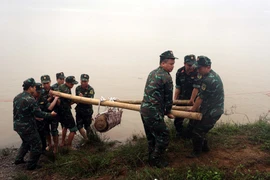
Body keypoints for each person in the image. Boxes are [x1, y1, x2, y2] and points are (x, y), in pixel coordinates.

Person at [140, 50, 177, 168]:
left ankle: (151, 156)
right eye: (170, 64)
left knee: (151, 136)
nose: (172, 66)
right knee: (164, 135)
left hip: (144, 109)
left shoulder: (152, 73)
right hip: (153, 112)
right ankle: (155, 160)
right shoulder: (166, 77)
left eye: (173, 64)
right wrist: (168, 112)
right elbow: (168, 99)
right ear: (163, 63)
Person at [13, 78, 56, 170]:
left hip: (17, 125)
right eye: (34, 87)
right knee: (37, 145)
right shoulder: (30, 99)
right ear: (31, 87)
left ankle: (18, 159)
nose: (35, 89)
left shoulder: (17, 97)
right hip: (28, 127)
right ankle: (31, 165)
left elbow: (19, 112)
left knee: (26, 142)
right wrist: (51, 115)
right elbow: (39, 113)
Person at [187, 56, 224, 158]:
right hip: (209, 109)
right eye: (197, 68)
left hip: (213, 112)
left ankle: (196, 153)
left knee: (197, 131)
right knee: (198, 127)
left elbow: (200, 98)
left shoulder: (209, 80)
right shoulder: (211, 75)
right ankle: (205, 148)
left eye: (200, 68)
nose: (198, 70)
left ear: (208, 67)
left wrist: (193, 109)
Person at [174, 55, 201, 138]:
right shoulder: (179, 72)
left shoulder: (198, 72)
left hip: (194, 100)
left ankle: (190, 136)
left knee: (193, 121)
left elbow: (196, 88)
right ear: (184, 64)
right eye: (189, 65)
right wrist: (175, 100)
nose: (191, 67)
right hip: (182, 99)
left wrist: (192, 100)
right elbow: (178, 87)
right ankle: (180, 134)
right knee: (177, 121)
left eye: (193, 65)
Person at [40, 75, 60, 153]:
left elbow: (59, 103)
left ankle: (55, 146)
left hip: (54, 113)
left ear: (50, 82)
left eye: (47, 83)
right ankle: (49, 144)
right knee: (46, 130)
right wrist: (50, 97)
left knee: (54, 131)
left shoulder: (54, 89)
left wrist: (56, 98)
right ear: (42, 83)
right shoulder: (40, 91)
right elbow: (42, 103)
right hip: (44, 113)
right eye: (44, 83)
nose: (46, 85)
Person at [58, 76, 78, 149]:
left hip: (61, 112)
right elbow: (69, 102)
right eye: (72, 84)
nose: (73, 85)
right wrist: (76, 100)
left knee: (65, 126)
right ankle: (69, 146)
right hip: (65, 111)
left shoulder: (62, 86)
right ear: (67, 83)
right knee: (73, 129)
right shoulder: (66, 90)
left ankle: (62, 142)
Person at [75, 74, 95, 140]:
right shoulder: (78, 88)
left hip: (87, 111)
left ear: (88, 81)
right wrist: (79, 98)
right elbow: (76, 99)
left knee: (87, 126)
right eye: (82, 81)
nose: (83, 83)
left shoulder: (91, 89)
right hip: (79, 110)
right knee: (79, 126)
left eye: (85, 81)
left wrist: (82, 98)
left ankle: (92, 139)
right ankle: (86, 139)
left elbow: (90, 100)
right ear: (80, 80)